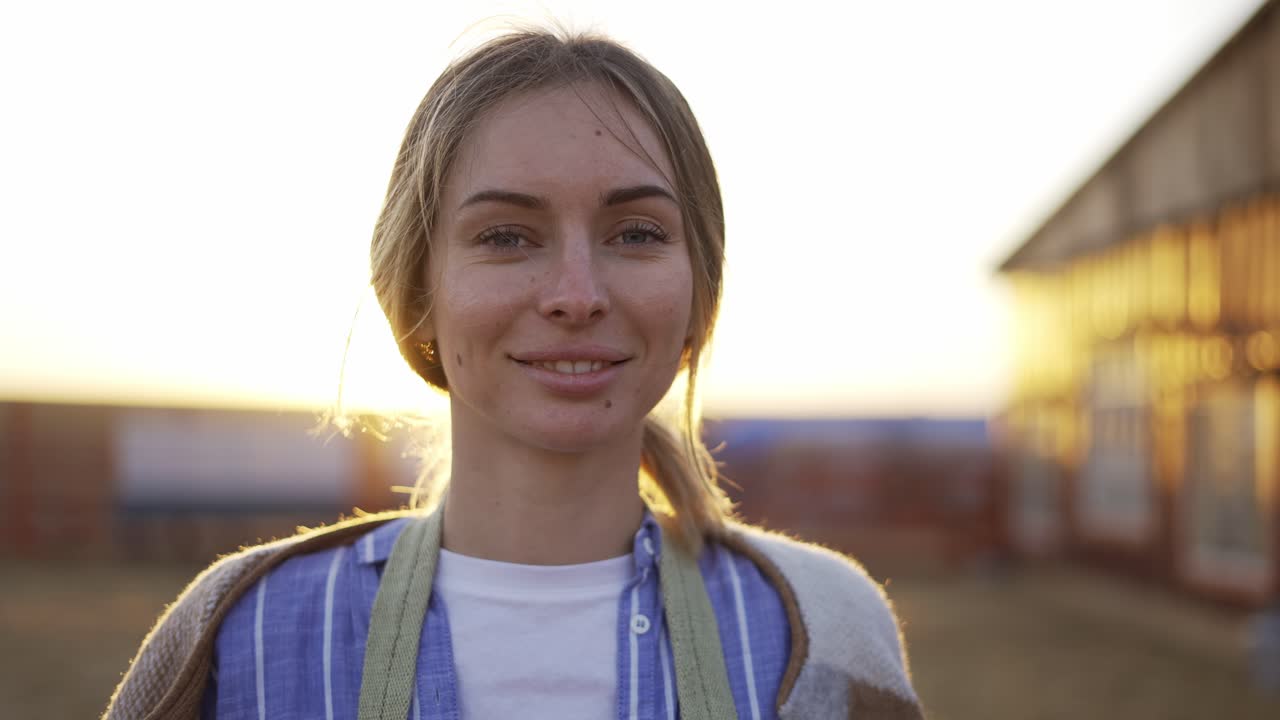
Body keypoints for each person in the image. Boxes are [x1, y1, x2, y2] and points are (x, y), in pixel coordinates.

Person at [104, 28, 922, 720]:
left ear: (699, 291)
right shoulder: (240, 637)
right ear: (417, 290)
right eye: (505, 236)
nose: (577, 295)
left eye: (636, 233)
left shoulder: (823, 630)